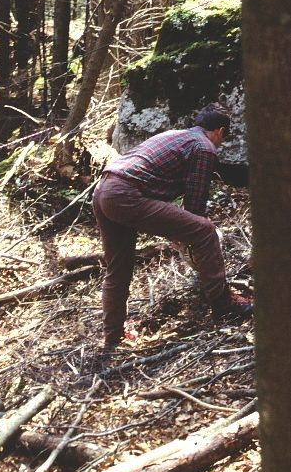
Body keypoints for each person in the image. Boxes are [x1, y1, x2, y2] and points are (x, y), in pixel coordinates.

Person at [93, 103, 252, 350]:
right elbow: (195, 205)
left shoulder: (176, 136)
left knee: (118, 267)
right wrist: (185, 231)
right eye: (224, 136)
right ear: (220, 131)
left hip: (103, 190)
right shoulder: (204, 147)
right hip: (125, 195)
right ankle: (224, 305)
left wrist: (179, 228)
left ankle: (113, 336)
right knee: (205, 230)